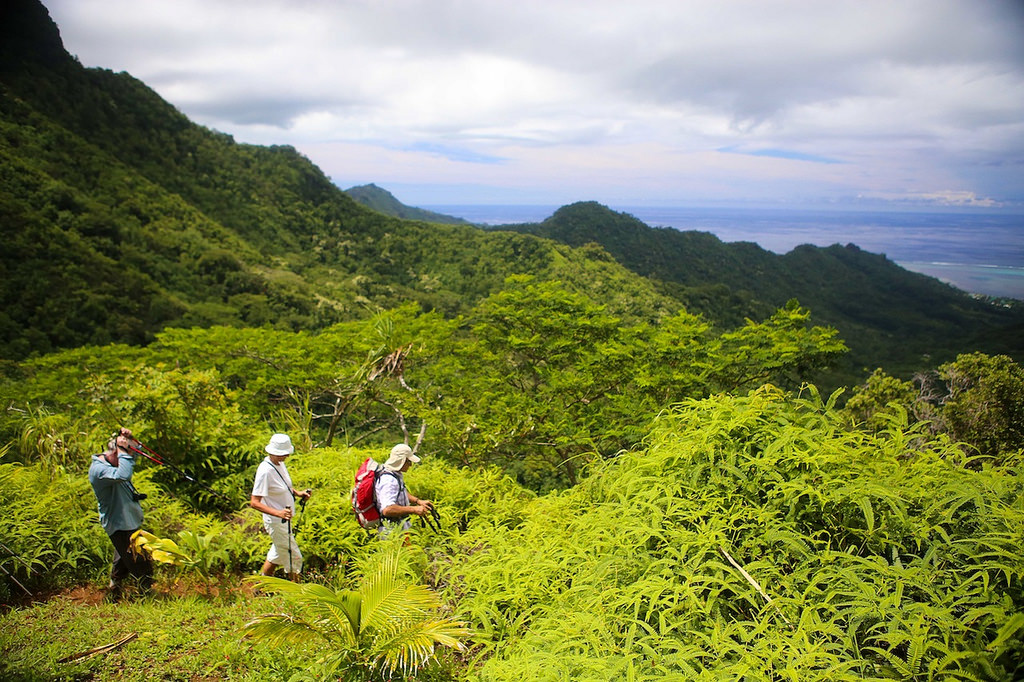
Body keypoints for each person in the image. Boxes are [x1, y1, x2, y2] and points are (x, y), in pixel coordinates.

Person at [88, 427, 153, 600]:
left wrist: (129, 438)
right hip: (119, 524)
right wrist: (123, 450)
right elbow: (124, 473)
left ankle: (113, 591)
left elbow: (134, 454)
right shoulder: (99, 470)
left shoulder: (116, 460)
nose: (129, 459)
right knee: (141, 564)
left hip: (129, 520)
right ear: (115, 453)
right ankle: (146, 597)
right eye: (125, 456)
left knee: (122, 559)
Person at [250, 433, 311, 580]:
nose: (285, 457)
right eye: (282, 454)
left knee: (276, 555)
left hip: (285, 521)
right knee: (294, 558)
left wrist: (298, 493)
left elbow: (284, 487)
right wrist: (278, 513)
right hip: (277, 522)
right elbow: (254, 502)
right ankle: (296, 594)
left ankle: (261, 586)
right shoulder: (265, 471)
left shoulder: (280, 464)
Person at [375, 443, 432, 535]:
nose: (410, 465)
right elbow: (387, 509)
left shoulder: (395, 474)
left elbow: (400, 492)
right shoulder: (389, 480)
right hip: (391, 532)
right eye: (409, 461)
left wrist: (418, 501)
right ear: (402, 461)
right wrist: (414, 509)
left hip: (400, 527)